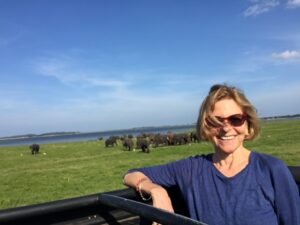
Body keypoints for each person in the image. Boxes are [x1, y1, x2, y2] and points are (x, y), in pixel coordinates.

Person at [123, 84, 300, 225]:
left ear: (248, 125)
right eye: (215, 121)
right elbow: (131, 174)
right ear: (205, 127)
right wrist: (157, 190)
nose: (226, 128)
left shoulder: (271, 169)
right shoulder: (191, 169)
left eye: (235, 119)